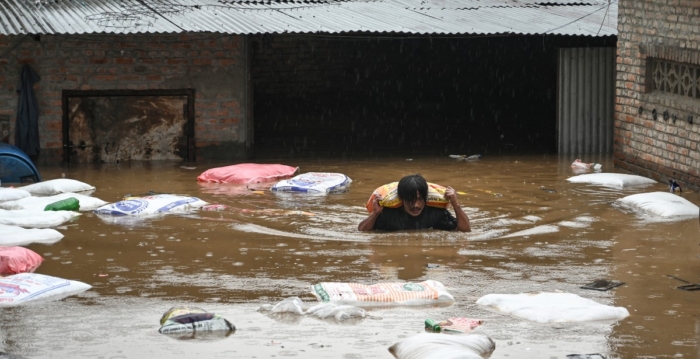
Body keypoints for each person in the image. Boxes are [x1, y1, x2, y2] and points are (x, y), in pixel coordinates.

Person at [358, 174, 471, 232]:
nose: (415, 205)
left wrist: (456, 205)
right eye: (409, 200)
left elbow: (465, 232)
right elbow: (362, 232)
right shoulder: (389, 215)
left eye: (420, 199)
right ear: (401, 199)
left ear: (426, 198)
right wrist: (375, 214)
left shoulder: (435, 213)